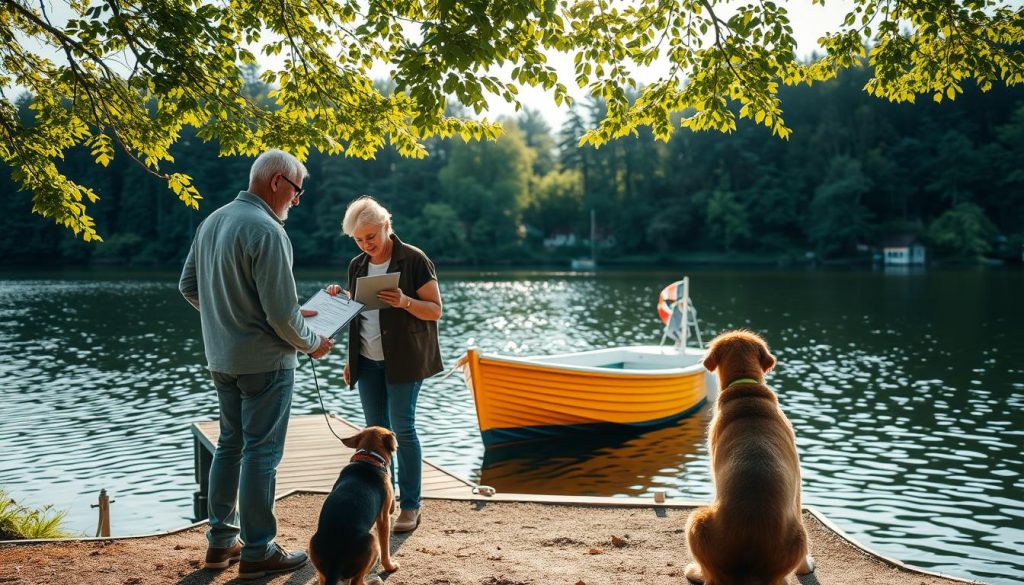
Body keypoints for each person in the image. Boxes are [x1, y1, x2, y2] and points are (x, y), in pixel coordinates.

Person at [179, 149, 334, 579]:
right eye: (297, 190)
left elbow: (189, 286)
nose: (298, 200)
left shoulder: (213, 220)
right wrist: (313, 344)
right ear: (278, 182)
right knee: (262, 452)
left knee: (230, 445)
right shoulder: (267, 229)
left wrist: (229, 319)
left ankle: (220, 543)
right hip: (266, 362)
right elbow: (282, 316)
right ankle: (259, 549)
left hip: (222, 357)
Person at [326, 195, 443, 533]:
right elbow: (357, 315)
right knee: (374, 430)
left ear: (386, 226)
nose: (366, 245)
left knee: (402, 430)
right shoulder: (357, 265)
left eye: (371, 237)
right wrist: (339, 299)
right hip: (367, 361)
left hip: (405, 361)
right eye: (359, 240)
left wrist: (406, 301)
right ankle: (382, 500)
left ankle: (410, 506)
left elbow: (435, 310)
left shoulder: (414, 260)